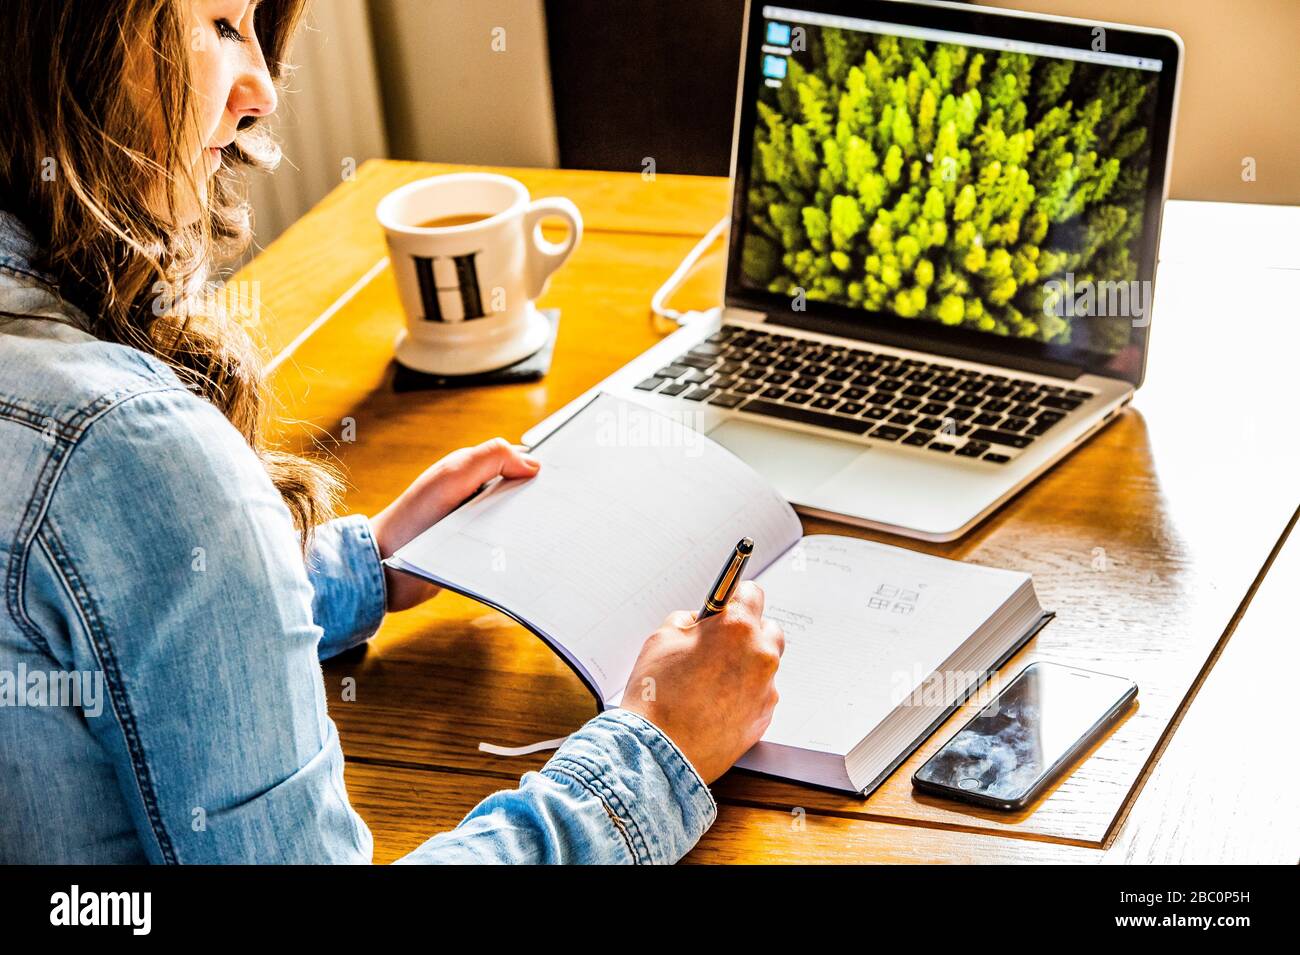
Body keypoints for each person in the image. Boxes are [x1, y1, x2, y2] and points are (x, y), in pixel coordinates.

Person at [0, 0, 784, 864]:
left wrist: (347, 571)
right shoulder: (129, 450)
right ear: (65, 41)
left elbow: (89, 616)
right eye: (222, 22)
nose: (258, 90)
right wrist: (656, 747)